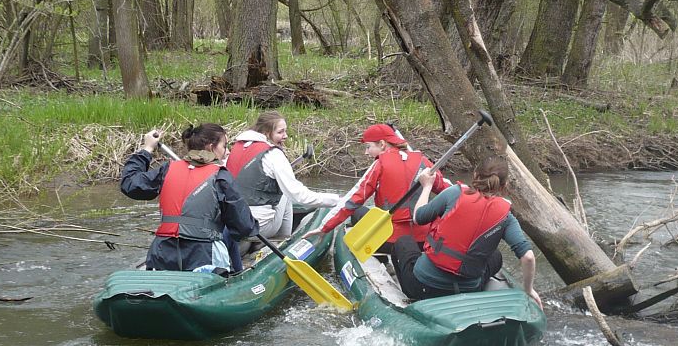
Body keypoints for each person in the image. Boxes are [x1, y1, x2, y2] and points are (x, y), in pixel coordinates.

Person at [391, 155, 542, 308]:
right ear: (504, 186)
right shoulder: (507, 217)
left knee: (403, 242)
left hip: (423, 286)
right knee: (496, 256)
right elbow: (528, 257)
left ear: (475, 175)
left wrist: (427, 186)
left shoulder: (454, 193)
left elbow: (418, 217)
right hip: (468, 289)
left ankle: (408, 297)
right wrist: (528, 289)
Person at [120, 123, 259, 273]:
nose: (227, 152)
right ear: (211, 147)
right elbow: (244, 227)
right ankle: (238, 275)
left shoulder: (167, 169)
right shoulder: (221, 177)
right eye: (224, 146)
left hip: (162, 253)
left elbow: (130, 183)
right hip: (204, 256)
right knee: (229, 236)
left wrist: (147, 149)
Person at [305, 123, 450, 254]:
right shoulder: (424, 162)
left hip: (390, 241)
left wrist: (325, 227)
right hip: (423, 241)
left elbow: (353, 200)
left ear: (382, 144)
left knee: (358, 211)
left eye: (368, 147)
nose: (366, 153)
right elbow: (450, 191)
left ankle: (377, 258)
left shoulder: (380, 164)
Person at [226, 111, 339, 252]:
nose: (285, 136)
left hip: (233, 222)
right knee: (286, 194)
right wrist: (336, 201)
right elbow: (299, 195)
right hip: (258, 225)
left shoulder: (237, 147)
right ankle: (284, 242)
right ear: (267, 133)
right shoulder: (273, 155)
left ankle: (262, 244)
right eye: (280, 132)